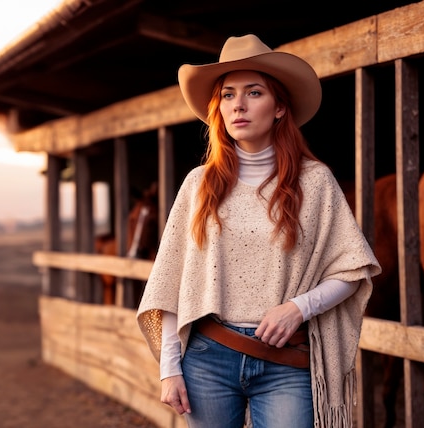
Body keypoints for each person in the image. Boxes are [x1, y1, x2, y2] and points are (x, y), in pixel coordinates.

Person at [136, 34, 381, 428]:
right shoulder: (198, 185)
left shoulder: (315, 183)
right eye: (229, 95)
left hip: (286, 362)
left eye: (254, 92)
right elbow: (169, 284)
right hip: (207, 358)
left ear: (280, 106)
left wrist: (298, 308)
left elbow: (351, 270)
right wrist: (169, 368)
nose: (239, 105)